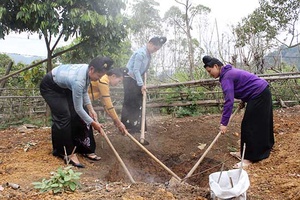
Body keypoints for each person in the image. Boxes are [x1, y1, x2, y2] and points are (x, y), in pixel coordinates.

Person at [40, 57, 114, 168]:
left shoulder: (87, 72)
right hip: (51, 87)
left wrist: (91, 109)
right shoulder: (78, 81)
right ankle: (66, 152)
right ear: (92, 70)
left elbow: (84, 92)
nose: (98, 79)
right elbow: (79, 107)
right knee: (64, 116)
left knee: (78, 115)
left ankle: (81, 148)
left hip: (64, 86)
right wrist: (93, 124)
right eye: (98, 76)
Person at [202, 55, 274, 168]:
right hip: (260, 93)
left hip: (259, 95)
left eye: (210, 71)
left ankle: (248, 158)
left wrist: (224, 123)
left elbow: (229, 101)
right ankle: (247, 152)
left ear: (216, 66)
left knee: (249, 126)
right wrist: (244, 99)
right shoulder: (228, 73)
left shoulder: (226, 76)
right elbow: (244, 85)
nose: (210, 74)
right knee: (257, 123)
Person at [121, 36, 167, 133]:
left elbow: (142, 70)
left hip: (136, 79)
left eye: (157, 49)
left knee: (138, 102)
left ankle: (137, 125)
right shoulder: (140, 54)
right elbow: (136, 70)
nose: (155, 51)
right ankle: (125, 125)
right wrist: (141, 85)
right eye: (155, 48)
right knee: (130, 102)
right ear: (149, 44)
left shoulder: (148, 55)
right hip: (129, 79)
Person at [88, 68, 128, 134]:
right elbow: (109, 104)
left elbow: (105, 104)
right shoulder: (103, 80)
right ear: (113, 76)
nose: (118, 84)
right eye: (119, 81)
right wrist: (118, 122)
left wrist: (114, 119)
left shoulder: (105, 81)